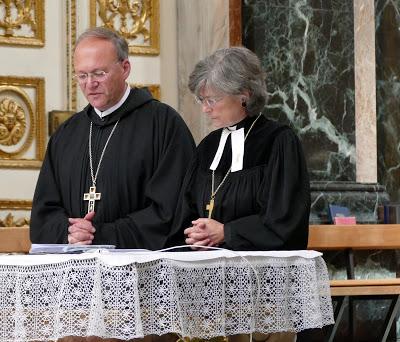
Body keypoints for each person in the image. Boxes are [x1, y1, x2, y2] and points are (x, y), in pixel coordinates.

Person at [169, 46, 310, 342]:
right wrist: (195, 234)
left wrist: (227, 232)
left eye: (213, 100)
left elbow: (285, 221)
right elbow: (186, 209)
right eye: (202, 100)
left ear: (244, 94)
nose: (206, 109)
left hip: (263, 293)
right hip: (206, 289)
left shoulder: (277, 143)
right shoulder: (207, 147)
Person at [30, 27, 195, 250]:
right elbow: (44, 213)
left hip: (140, 269)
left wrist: (102, 235)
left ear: (125, 68)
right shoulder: (66, 134)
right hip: (75, 271)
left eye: (99, 73)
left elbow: (172, 210)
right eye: (82, 75)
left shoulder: (163, 124)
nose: (90, 84)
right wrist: (70, 232)